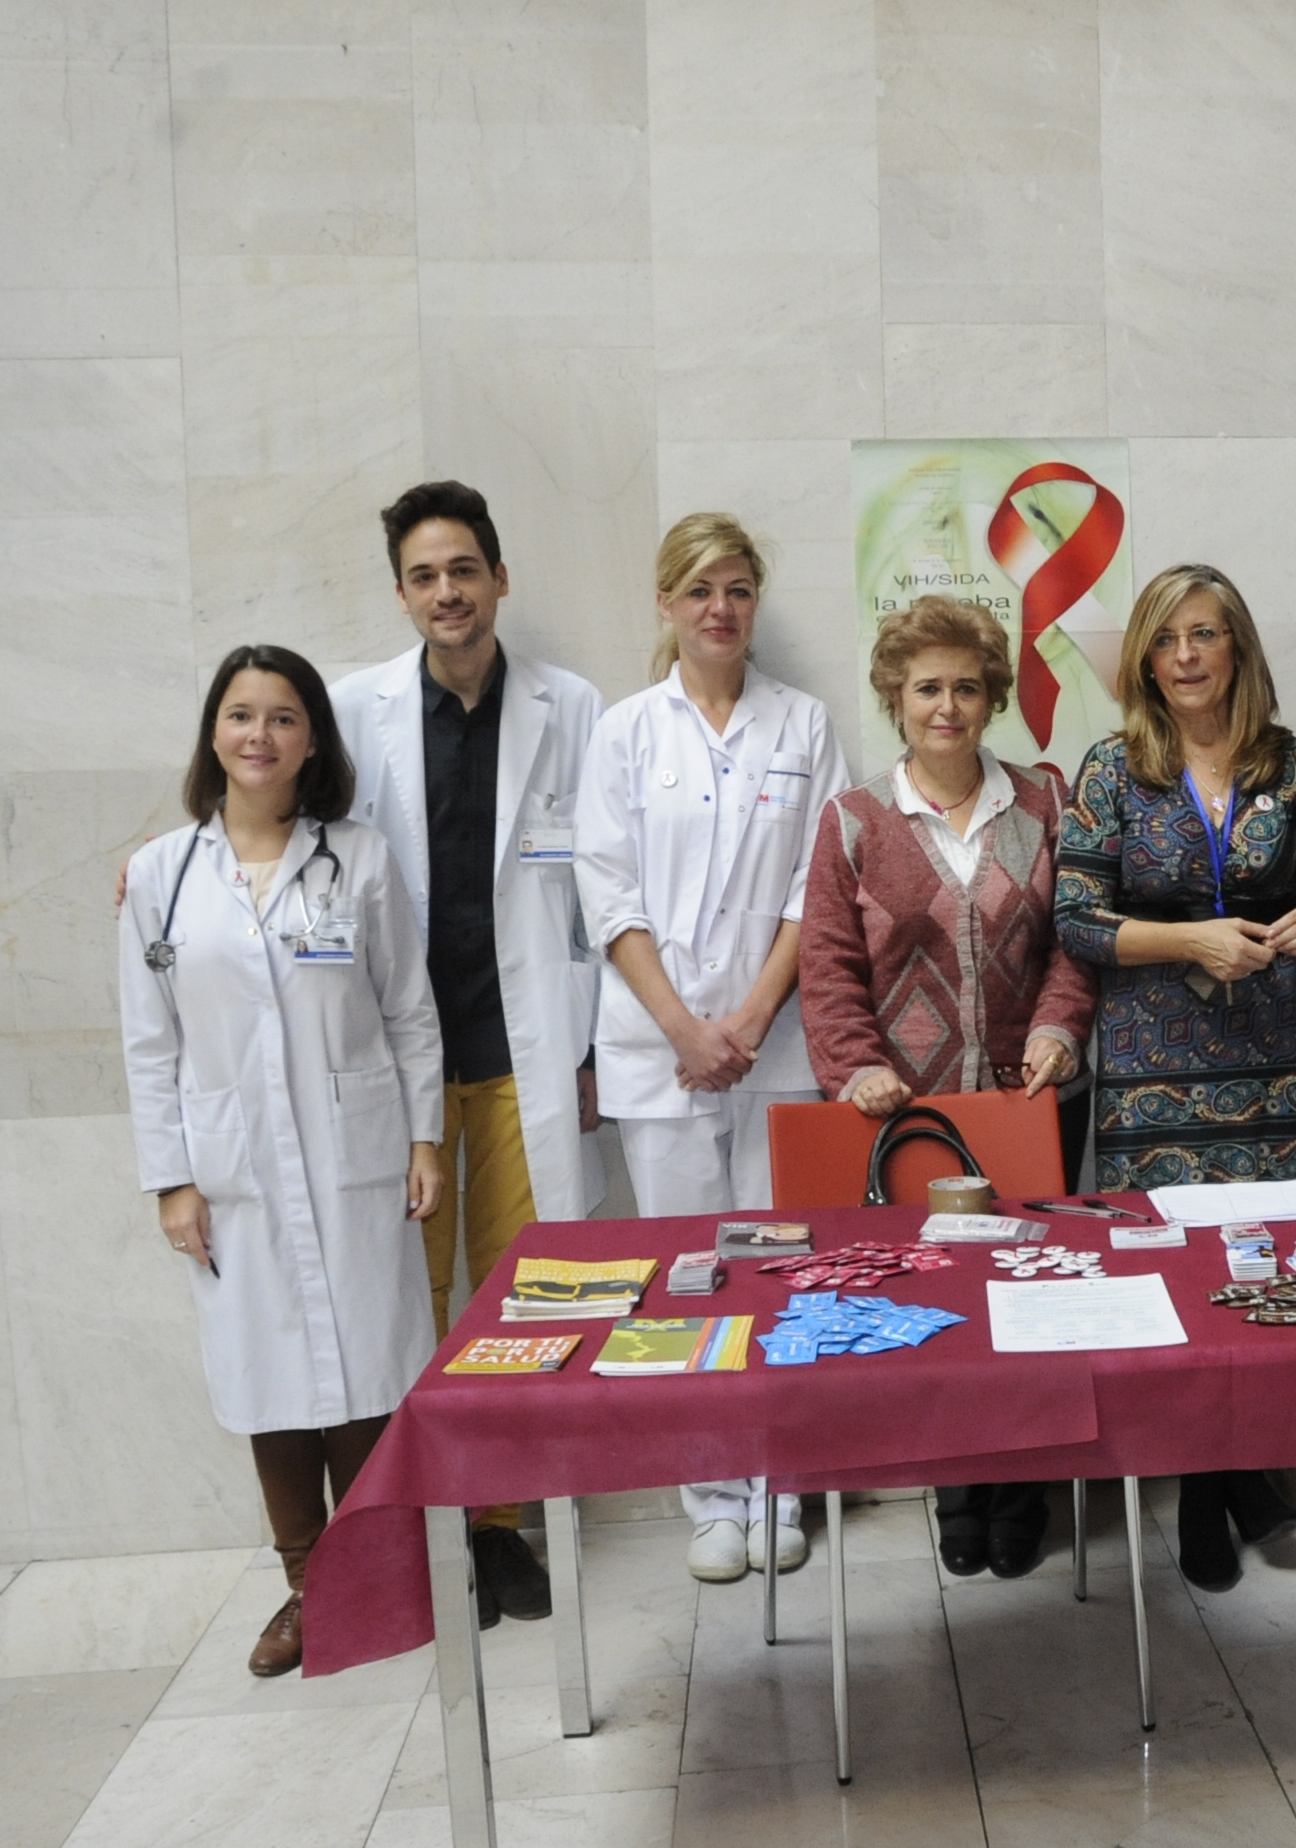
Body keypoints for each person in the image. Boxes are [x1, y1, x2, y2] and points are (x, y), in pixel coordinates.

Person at [118, 646, 445, 1678]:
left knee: (371, 1360)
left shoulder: (359, 860)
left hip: (357, 1152)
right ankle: (308, 1585)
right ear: (213, 732)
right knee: (267, 1374)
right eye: (241, 714)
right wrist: (172, 1178)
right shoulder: (162, 878)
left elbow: (408, 1010)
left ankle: (383, 1575)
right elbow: (150, 1040)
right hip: (236, 1169)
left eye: (284, 717)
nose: (259, 735)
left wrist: (425, 1138)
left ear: (312, 741)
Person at [328, 480, 607, 1629]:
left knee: (513, 1296)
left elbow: (602, 889)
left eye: (464, 571)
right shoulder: (351, 711)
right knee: (405, 1297)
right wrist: (165, 861)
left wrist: (594, 1051)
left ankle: (497, 1528)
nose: (448, 592)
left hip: (517, 1052)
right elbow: (268, 815)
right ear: (402, 594)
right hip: (394, 1066)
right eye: (425, 575)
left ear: (499, 579)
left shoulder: (570, 706)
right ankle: (420, 1528)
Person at [575, 512, 851, 1584]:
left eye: (736, 588)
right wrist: (686, 1029)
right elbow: (609, 893)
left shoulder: (803, 724)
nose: (720, 608)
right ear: (666, 603)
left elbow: (816, 893)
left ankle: (782, 1485)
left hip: (771, 1047)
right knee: (689, 1275)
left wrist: (746, 1020)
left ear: (755, 599)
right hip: (660, 1049)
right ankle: (712, 1499)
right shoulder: (625, 732)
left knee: (779, 1269)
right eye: (698, 590)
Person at [1053, 562, 1296, 1593]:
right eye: (1168, 639)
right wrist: (1191, 939)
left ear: (1237, 648)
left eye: (1206, 634)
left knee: (1270, 1272)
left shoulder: (1289, 765)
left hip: (1273, 1069)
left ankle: (1254, 1469)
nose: (1186, 656)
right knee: (1179, 1278)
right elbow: (1076, 922)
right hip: (1153, 1076)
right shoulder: (1111, 768)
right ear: (1143, 656)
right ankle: (1206, 1495)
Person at [798, 594, 1095, 1580]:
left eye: (967, 687)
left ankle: (1021, 1496)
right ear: (895, 696)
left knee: (1028, 1298)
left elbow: (1076, 943)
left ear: (993, 697)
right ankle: (957, 1493)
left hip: (1028, 1107)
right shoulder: (854, 822)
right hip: (911, 1117)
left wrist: (1057, 1027)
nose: (947, 706)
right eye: (927, 687)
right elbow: (828, 967)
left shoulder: (1044, 803)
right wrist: (856, 1066)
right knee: (935, 1308)